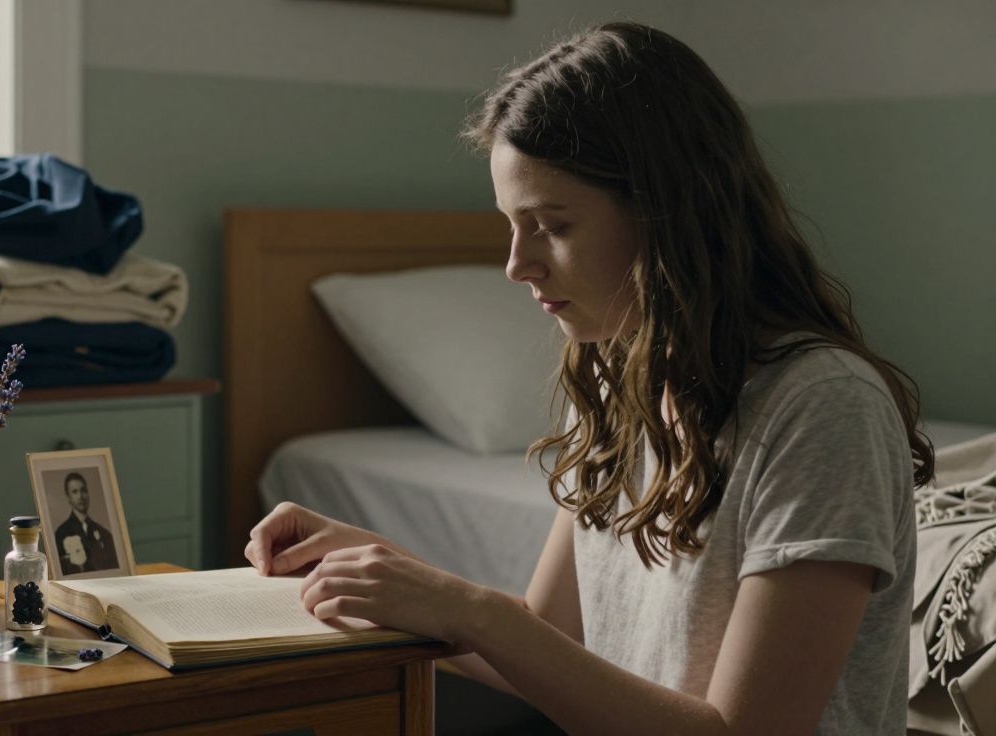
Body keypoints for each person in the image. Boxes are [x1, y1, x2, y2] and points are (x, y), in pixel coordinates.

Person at [245, 21, 935, 735]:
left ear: (669, 212)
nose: (517, 265)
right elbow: (546, 642)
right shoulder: (615, 378)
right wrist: (387, 574)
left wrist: (465, 608)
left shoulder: (822, 407)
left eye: (552, 225)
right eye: (512, 225)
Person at [54, 471, 119, 574]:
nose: (81, 496)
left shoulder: (104, 533)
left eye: (83, 490)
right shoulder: (61, 533)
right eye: (75, 492)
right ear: (68, 497)